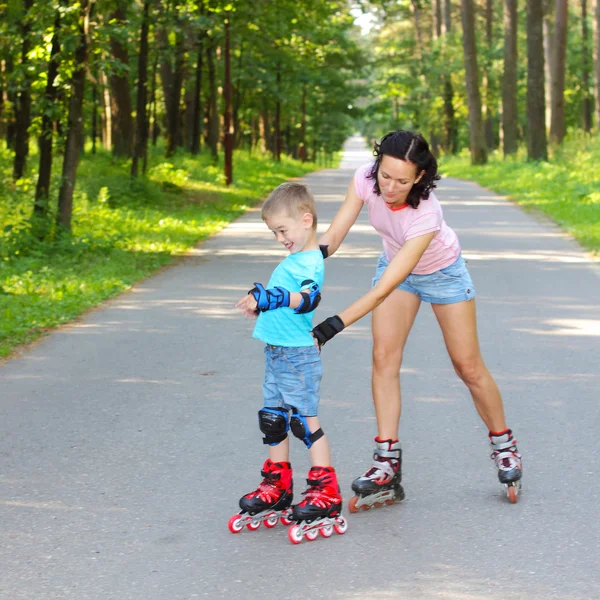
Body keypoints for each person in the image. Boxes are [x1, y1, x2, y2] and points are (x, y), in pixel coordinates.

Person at [312, 130, 523, 508]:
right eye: (385, 176)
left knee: (467, 366)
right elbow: (334, 236)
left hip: (442, 273)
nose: (390, 187)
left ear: (420, 178)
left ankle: (504, 445)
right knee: (383, 358)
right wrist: (302, 261)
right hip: (396, 264)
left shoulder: (426, 213)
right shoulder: (364, 178)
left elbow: (380, 292)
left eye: (402, 181)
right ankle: (386, 464)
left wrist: (329, 328)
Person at [228, 182, 348, 543]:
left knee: (304, 423)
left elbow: (308, 299)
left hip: (298, 356)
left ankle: (326, 490)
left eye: (283, 230)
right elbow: (281, 302)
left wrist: (272, 297)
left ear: (306, 220)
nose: (280, 238)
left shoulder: (310, 260)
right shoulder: (294, 258)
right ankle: (277, 486)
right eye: (274, 232)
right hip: (277, 351)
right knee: (274, 419)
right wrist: (261, 305)